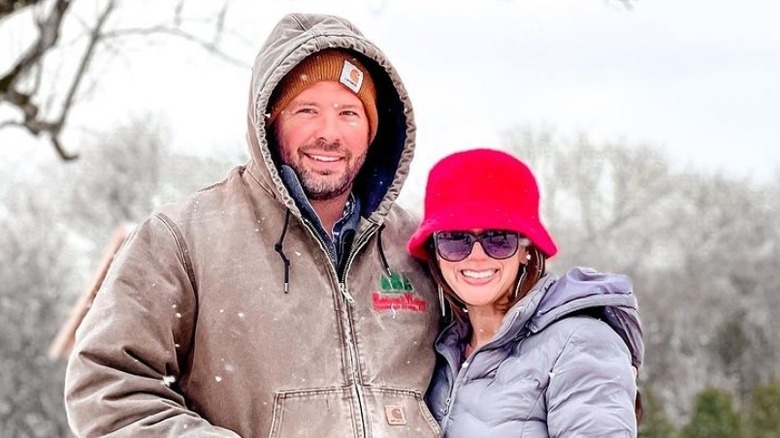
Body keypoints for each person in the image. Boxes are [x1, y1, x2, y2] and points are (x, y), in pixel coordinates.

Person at [64, 12, 442, 437]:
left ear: (373, 129)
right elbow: (108, 387)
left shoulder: (423, 245)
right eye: (307, 109)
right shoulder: (184, 238)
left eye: (348, 113)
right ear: (269, 120)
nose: (329, 133)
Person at [406, 148, 644, 437]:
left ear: (525, 250)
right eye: (455, 240)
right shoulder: (442, 351)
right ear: (435, 252)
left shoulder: (580, 343)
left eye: (498, 239)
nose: (477, 256)